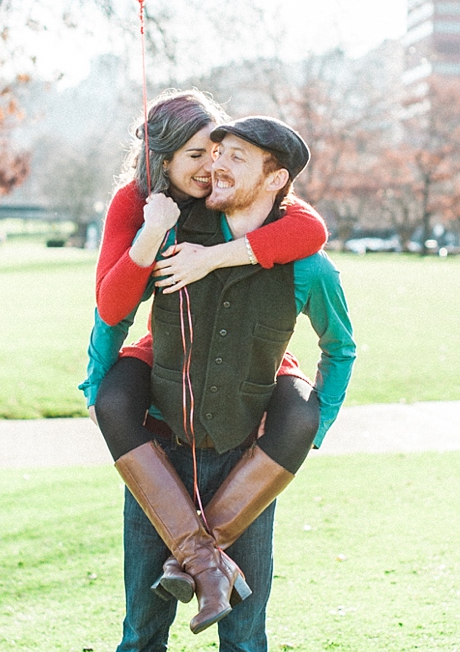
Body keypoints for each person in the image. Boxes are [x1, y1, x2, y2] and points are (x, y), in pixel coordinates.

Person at [94, 117, 356, 652]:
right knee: (138, 631)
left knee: (243, 639)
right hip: (158, 458)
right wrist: (98, 377)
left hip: (248, 465)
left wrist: (311, 429)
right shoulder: (176, 230)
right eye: (214, 152)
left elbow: (341, 348)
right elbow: (112, 307)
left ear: (274, 179)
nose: (217, 165)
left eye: (236, 157)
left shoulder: (305, 264)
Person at [81, 91, 329, 603]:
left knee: (298, 413)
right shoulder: (136, 200)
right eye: (196, 156)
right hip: (171, 345)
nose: (209, 167)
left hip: (249, 351)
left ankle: (198, 557)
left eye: (216, 153)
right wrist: (149, 236)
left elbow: (311, 229)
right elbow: (112, 309)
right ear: (162, 159)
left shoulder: (229, 189)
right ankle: (202, 560)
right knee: (113, 398)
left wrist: (215, 257)